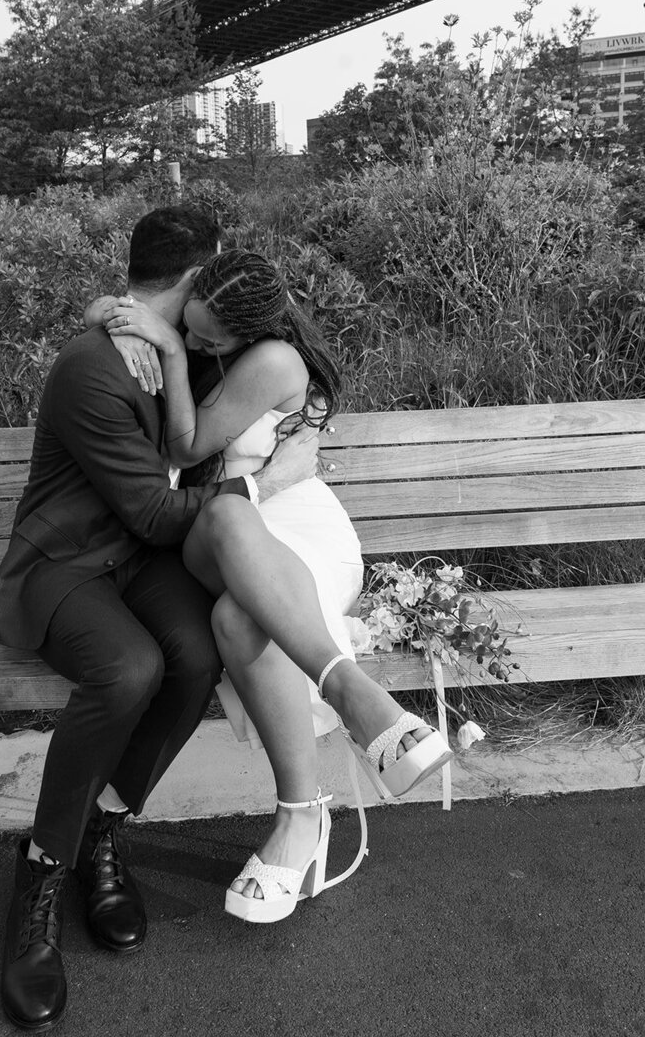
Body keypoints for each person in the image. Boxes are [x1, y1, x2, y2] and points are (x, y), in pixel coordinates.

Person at [0, 208, 320, 1032]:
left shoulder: (194, 348)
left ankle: (106, 828)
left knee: (194, 657)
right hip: (67, 561)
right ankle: (43, 869)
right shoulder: (91, 368)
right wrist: (260, 491)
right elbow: (159, 514)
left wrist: (150, 334)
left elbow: (234, 381)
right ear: (199, 279)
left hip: (136, 560)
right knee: (130, 669)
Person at [89, 246, 452, 926]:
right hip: (225, 526)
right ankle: (358, 697)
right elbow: (110, 316)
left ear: (248, 329)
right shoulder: (214, 344)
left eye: (207, 336)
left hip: (303, 534)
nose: (195, 340)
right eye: (189, 327)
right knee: (228, 511)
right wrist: (154, 334)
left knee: (236, 618)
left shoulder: (272, 361)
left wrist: (169, 350)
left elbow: (188, 448)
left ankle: (300, 823)